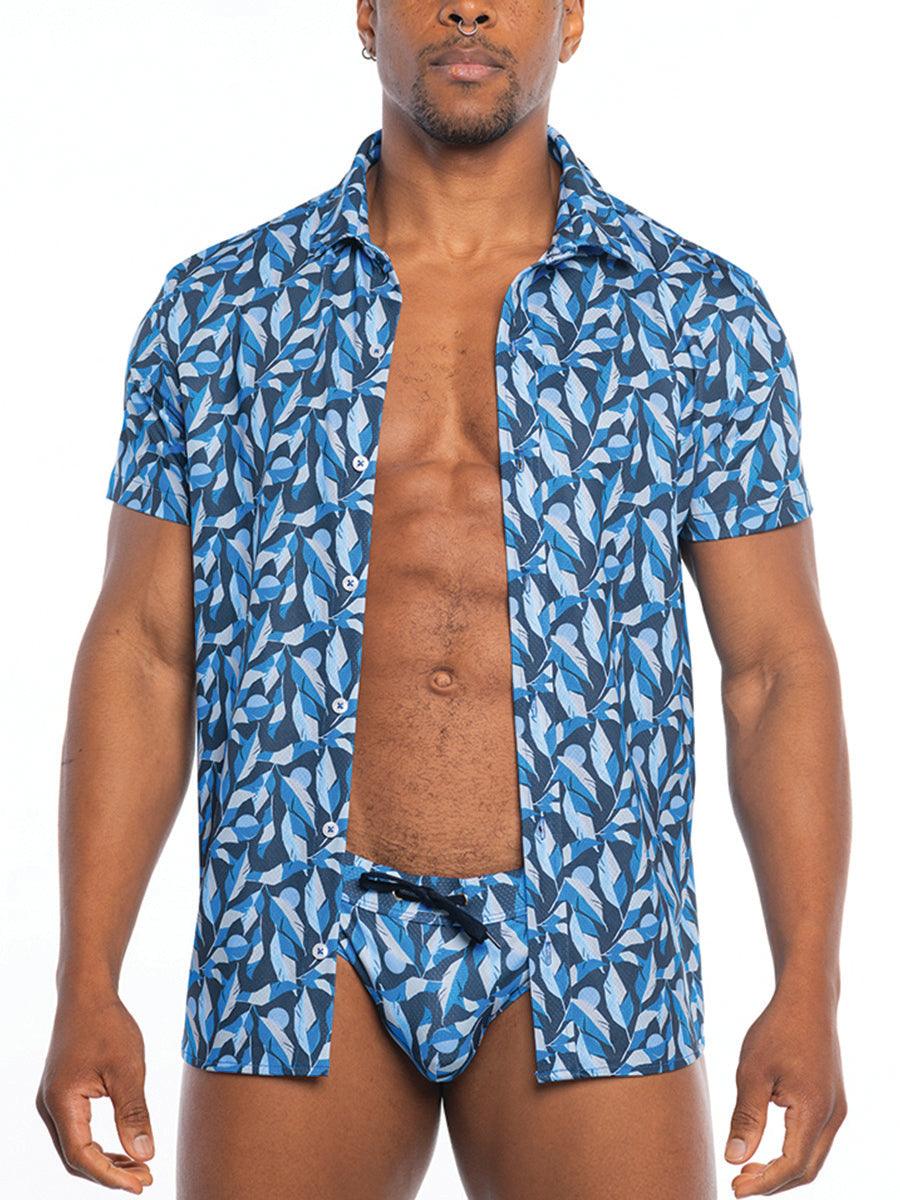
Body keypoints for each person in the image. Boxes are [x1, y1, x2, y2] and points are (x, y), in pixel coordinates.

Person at [37, 3, 850, 1198]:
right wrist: (87, 980)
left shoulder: (697, 316)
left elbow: (774, 667)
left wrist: (809, 983)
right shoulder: (221, 310)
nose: (467, 6)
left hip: (595, 919)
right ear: (367, 15)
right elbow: (145, 649)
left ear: (572, 18)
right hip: (295, 916)